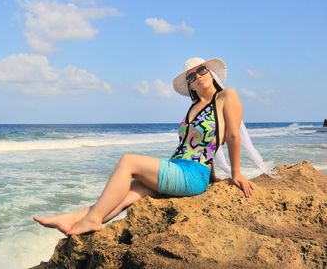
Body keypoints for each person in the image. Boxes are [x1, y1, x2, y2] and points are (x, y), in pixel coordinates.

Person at [33, 57, 257, 236]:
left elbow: (232, 135)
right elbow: (199, 145)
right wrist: (212, 176)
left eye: (202, 71)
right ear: (189, 84)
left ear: (210, 73)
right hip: (179, 167)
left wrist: (236, 173)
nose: (199, 76)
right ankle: (74, 218)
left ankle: (91, 220)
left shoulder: (226, 96)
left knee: (128, 161)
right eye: (192, 75)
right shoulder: (194, 107)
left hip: (191, 175)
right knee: (127, 192)